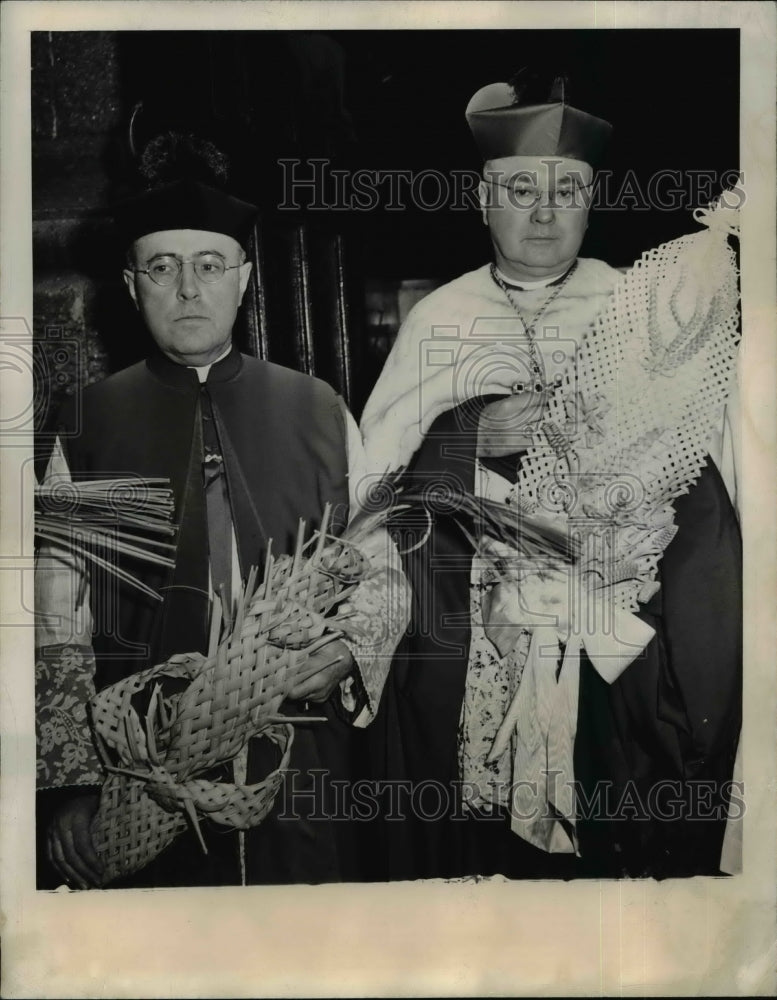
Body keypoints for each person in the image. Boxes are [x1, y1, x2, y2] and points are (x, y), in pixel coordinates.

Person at [360, 74, 742, 881]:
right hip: (468, 624)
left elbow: (700, 473)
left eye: (566, 190)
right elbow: (373, 489)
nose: (543, 212)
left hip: (603, 621)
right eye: (521, 190)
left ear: (591, 200)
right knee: (481, 859)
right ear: (481, 201)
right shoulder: (441, 318)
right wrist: (464, 433)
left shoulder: (634, 304)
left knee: (601, 847)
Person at [35, 163, 408, 889]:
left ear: (242, 279)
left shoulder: (320, 409)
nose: (187, 288)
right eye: (162, 267)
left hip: (299, 753)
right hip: (145, 764)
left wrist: (349, 651)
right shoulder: (86, 425)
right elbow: (54, 622)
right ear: (130, 282)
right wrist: (69, 785)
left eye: (209, 266)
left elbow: (382, 567)